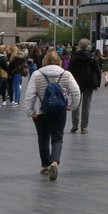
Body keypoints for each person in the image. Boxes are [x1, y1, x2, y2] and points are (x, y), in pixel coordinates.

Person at [25, 50, 81, 181]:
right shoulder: (65, 74)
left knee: (43, 138)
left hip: (41, 111)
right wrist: (72, 106)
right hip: (59, 110)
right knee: (57, 137)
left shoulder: (37, 74)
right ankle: (54, 162)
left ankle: (45, 165)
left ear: (44, 61)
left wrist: (30, 111)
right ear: (59, 61)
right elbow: (76, 91)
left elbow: (30, 94)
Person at [68, 38, 102, 133]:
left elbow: (70, 70)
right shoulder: (92, 58)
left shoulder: (74, 57)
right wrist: (97, 84)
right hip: (89, 83)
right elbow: (98, 71)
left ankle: (74, 124)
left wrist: (68, 84)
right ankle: (84, 126)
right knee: (86, 104)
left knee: (76, 103)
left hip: (76, 83)